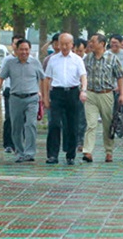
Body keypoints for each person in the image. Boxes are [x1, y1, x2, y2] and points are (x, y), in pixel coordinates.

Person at [0, 39, 44, 163]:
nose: (24, 52)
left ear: (30, 50)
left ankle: (30, 153)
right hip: (15, 98)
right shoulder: (10, 63)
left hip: (32, 98)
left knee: (31, 124)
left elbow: (43, 78)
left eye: (26, 49)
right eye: (21, 49)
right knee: (16, 126)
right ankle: (20, 152)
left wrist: (42, 93)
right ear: (16, 50)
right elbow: (0, 77)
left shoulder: (35, 63)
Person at [43, 33, 87, 165]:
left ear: (72, 45)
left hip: (73, 93)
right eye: (61, 44)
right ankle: (52, 155)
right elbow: (47, 79)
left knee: (72, 125)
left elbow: (83, 76)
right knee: (54, 124)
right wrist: (46, 97)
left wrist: (83, 90)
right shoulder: (53, 59)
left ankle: (70, 155)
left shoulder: (77, 60)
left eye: (67, 44)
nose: (64, 47)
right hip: (57, 93)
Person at [82, 34, 123, 163]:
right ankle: (88, 151)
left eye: (93, 41)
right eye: (90, 41)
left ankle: (109, 151)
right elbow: (83, 74)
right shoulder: (87, 58)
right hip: (91, 94)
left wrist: (122, 94)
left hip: (106, 94)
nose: (90, 44)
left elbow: (120, 76)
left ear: (102, 43)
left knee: (108, 125)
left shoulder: (112, 58)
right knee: (91, 124)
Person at [0, 34, 24, 153]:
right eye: (15, 43)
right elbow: (1, 77)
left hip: (24, 92)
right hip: (10, 91)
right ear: (12, 45)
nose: (18, 46)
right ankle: (8, 144)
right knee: (10, 118)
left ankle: (20, 143)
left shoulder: (29, 59)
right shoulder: (8, 60)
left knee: (22, 119)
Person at [74, 38, 88, 151]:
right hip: (72, 91)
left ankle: (80, 141)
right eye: (76, 51)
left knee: (82, 118)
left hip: (84, 92)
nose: (78, 53)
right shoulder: (71, 59)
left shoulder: (88, 60)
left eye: (80, 51)